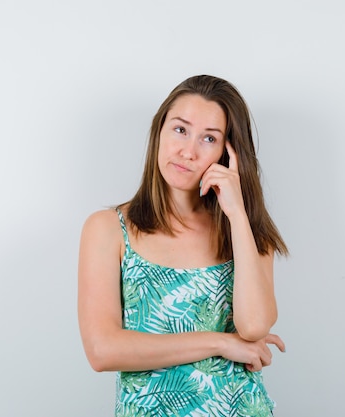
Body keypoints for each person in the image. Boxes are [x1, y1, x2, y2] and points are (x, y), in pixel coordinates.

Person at [77, 75, 288, 416]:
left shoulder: (245, 231)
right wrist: (222, 343)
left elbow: (254, 327)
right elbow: (102, 351)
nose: (188, 151)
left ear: (226, 152)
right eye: (180, 129)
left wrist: (236, 214)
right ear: (159, 131)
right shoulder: (109, 230)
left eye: (209, 138)